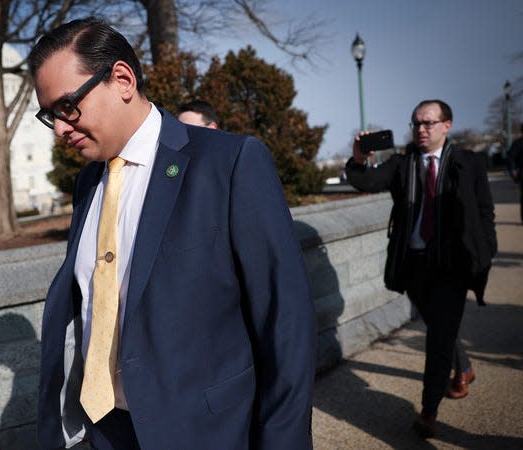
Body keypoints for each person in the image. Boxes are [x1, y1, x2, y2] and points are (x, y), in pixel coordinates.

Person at [30, 17, 316, 450]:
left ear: (122, 79)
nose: (62, 129)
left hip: (208, 432)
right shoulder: (88, 183)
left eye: (68, 106)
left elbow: (286, 325)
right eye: (50, 115)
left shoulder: (231, 163)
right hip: (107, 430)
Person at [344, 100, 496, 439]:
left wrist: (487, 250)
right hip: (413, 265)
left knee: (439, 335)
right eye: (416, 124)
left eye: (428, 123)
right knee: (440, 326)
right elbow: (367, 181)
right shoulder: (403, 163)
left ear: (447, 125)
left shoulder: (467, 163)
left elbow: (485, 210)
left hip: (451, 265)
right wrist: (357, 158)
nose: (421, 129)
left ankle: (428, 411)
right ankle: (465, 367)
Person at [507, 124, 523, 223]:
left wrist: (513, 171)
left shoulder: (518, 143)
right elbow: (511, 158)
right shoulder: (518, 143)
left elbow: (510, 159)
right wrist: (513, 171)